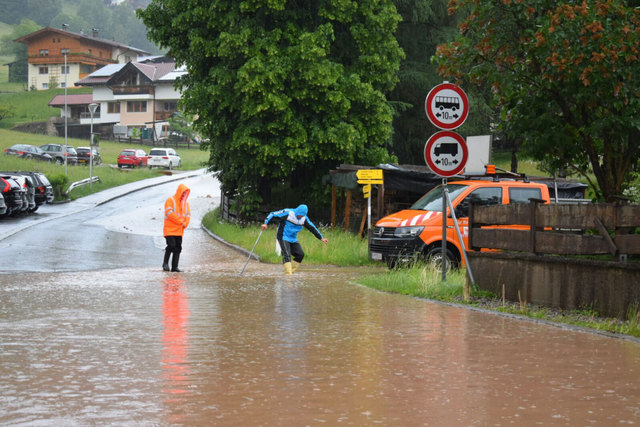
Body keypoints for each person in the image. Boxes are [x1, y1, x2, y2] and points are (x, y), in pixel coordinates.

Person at [261, 204, 328, 275]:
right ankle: (288, 275)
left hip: (293, 238)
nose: (300, 216)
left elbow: (312, 228)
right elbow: (273, 214)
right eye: (299, 215)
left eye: (302, 215)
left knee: (300, 254)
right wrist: (265, 223)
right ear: (297, 211)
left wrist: (321, 238)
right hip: (283, 235)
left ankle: (290, 273)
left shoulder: (304, 219)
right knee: (287, 254)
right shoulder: (288, 212)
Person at [163, 183, 191, 272]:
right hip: (169, 230)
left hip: (179, 230)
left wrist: (185, 224)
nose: (183, 195)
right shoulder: (170, 200)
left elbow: (188, 215)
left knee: (178, 248)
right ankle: (165, 264)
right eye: (183, 193)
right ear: (179, 192)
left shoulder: (186, 204)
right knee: (171, 245)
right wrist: (180, 221)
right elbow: (169, 213)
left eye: (185, 193)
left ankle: (175, 267)